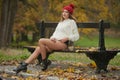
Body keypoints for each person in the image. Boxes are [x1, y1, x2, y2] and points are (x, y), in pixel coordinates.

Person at [13, 4, 80, 73]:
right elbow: (55, 34)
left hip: (63, 44)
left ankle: (44, 62)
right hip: (55, 42)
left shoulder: (72, 22)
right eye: (63, 11)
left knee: (41, 41)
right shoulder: (61, 22)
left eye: (66, 12)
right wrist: (52, 38)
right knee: (38, 49)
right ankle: (24, 65)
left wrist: (67, 38)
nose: (64, 13)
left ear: (70, 14)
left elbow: (77, 36)